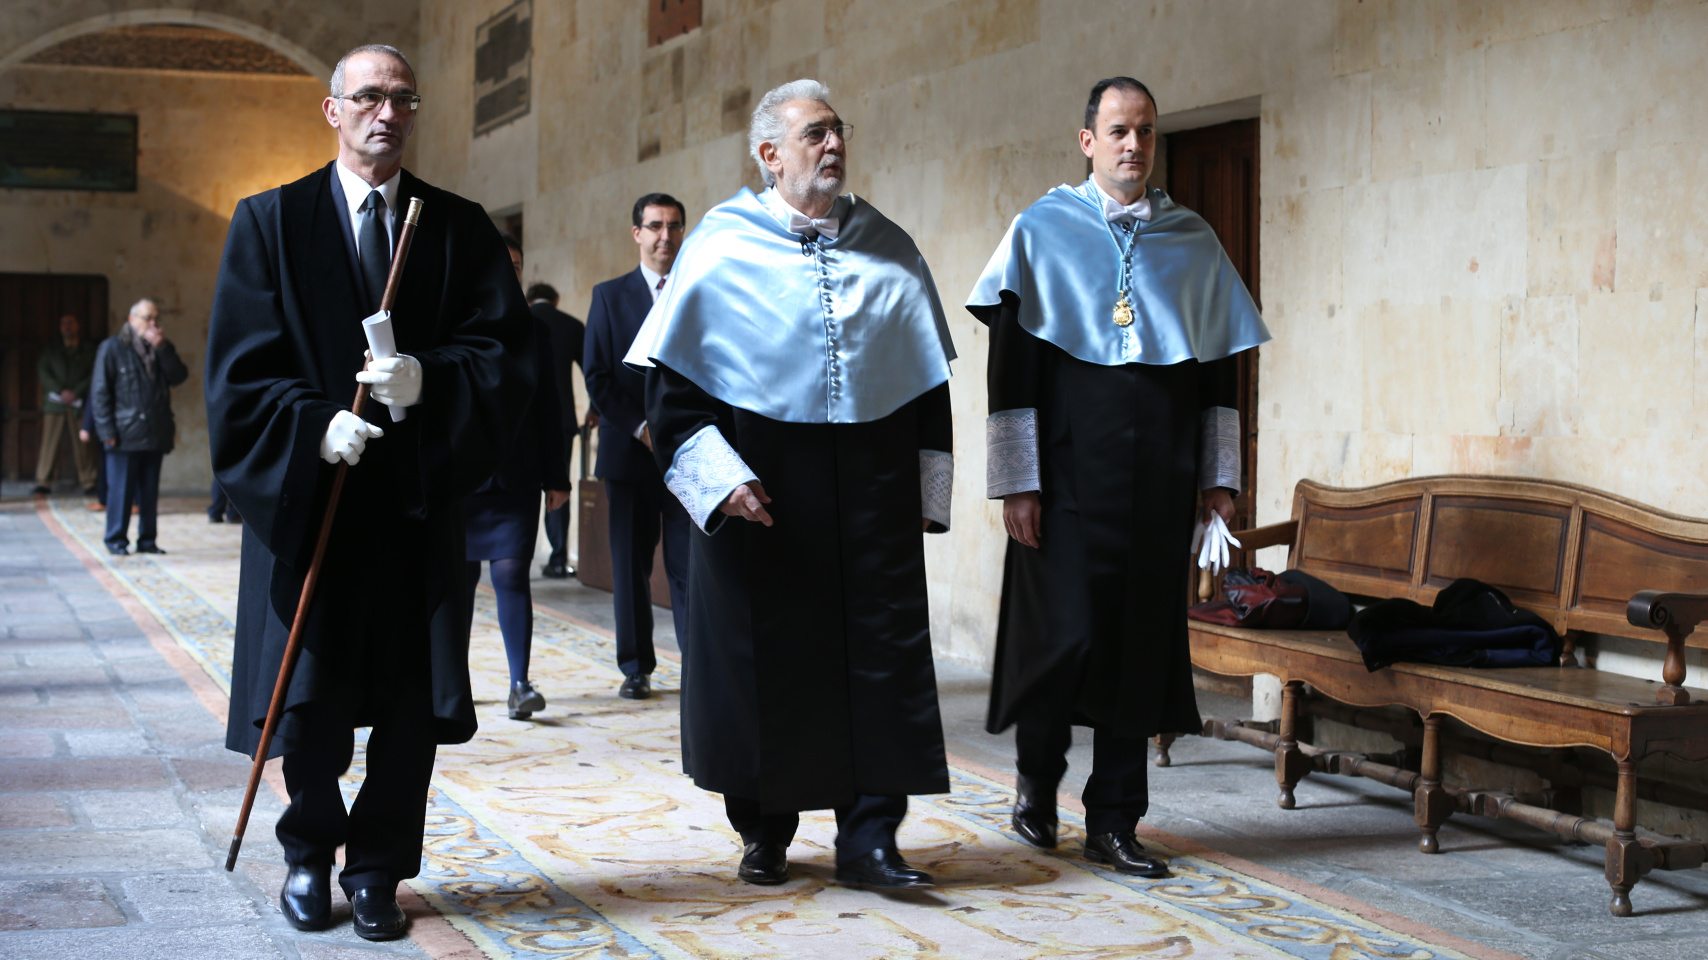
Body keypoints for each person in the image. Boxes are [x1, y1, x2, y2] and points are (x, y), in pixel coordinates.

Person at [204, 44, 533, 942]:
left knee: (406, 704)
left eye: (401, 99)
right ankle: (310, 854)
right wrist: (313, 427)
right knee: (307, 697)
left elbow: (507, 357)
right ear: (333, 110)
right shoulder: (268, 222)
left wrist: (428, 379)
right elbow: (237, 374)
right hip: (308, 510)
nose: (386, 113)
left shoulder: (458, 228)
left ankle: (380, 866)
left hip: (416, 509)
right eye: (368, 98)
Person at [628, 79, 957, 890]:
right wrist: (722, 482)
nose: (833, 145)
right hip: (761, 502)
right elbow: (672, 403)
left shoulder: (890, 246)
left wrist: (925, 497)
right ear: (769, 154)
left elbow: (927, 387)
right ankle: (764, 831)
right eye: (814, 133)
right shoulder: (720, 245)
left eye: (838, 131)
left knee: (879, 664)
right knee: (761, 668)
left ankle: (871, 838)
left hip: (871, 503)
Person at [966, 77, 1270, 877]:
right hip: (1063, 484)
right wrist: (1016, 483)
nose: (1134, 145)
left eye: (1145, 131)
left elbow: (1218, 374)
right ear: (1087, 140)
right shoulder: (1041, 230)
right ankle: (1037, 785)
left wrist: (1220, 479)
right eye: (1118, 130)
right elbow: (1011, 372)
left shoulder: (1192, 239)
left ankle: (1114, 820)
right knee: (1058, 640)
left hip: (1158, 485)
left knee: (1139, 646)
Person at [582, 192, 692, 700]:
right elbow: (598, 377)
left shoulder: (697, 292)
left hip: (691, 455)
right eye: (655, 226)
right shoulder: (609, 296)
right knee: (630, 565)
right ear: (637, 234)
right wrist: (640, 428)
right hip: (629, 454)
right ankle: (635, 667)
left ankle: (699, 665)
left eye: (673, 226)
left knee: (690, 565)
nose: (664, 236)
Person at [466, 235, 571, 719]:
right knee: (458, 580)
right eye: (501, 264)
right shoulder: (454, 320)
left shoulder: (536, 331)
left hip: (518, 472)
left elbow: (552, 406)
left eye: (517, 266)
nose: (510, 273)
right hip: (463, 476)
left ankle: (519, 683)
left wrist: (558, 477)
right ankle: (451, 683)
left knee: (510, 573)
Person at [90, 299, 189, 556]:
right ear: (132, 319)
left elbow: (179, 377)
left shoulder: (160, 347)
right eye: (148, 318)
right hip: (123, 433)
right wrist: (106, 432)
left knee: (149, 492)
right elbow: (100, 393)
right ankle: (116, 540)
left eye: (156, 318)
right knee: (121, 492)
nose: (153, 324)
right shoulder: (111, 348)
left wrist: (163, 349)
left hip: (155, 432)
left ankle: (147, 541)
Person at [527, 281, 591, 579]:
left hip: (524, 423)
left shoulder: (520, 321)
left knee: (525, 490)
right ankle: (558, 556)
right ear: (556, 300)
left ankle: (514, 555)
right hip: (562, 420)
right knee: (558, 487)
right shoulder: (571, 325)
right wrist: (596, 409)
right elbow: (593, 370)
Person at [34, 314, 100, 496]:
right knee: (49, 442)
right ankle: (43, 481)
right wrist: (60, 390)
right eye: (64, 323)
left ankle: (89, 481)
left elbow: (94, 373)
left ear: (77, 326)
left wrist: (77, 391)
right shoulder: (52, 349)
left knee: (83, 443)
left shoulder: (88, 349)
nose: (67, 327)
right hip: (55, 403)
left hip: (79, 403)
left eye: (71, 323)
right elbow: (43, 371)